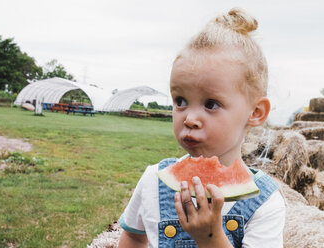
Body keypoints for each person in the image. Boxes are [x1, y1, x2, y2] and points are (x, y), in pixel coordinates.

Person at [118, 7, 286, 248]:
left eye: (211, 104)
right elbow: (134, 236)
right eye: (180, 101)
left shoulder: (266, 203)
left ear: (255, 112)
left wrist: (211, 238)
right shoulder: (152, 181)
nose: (190, 118)